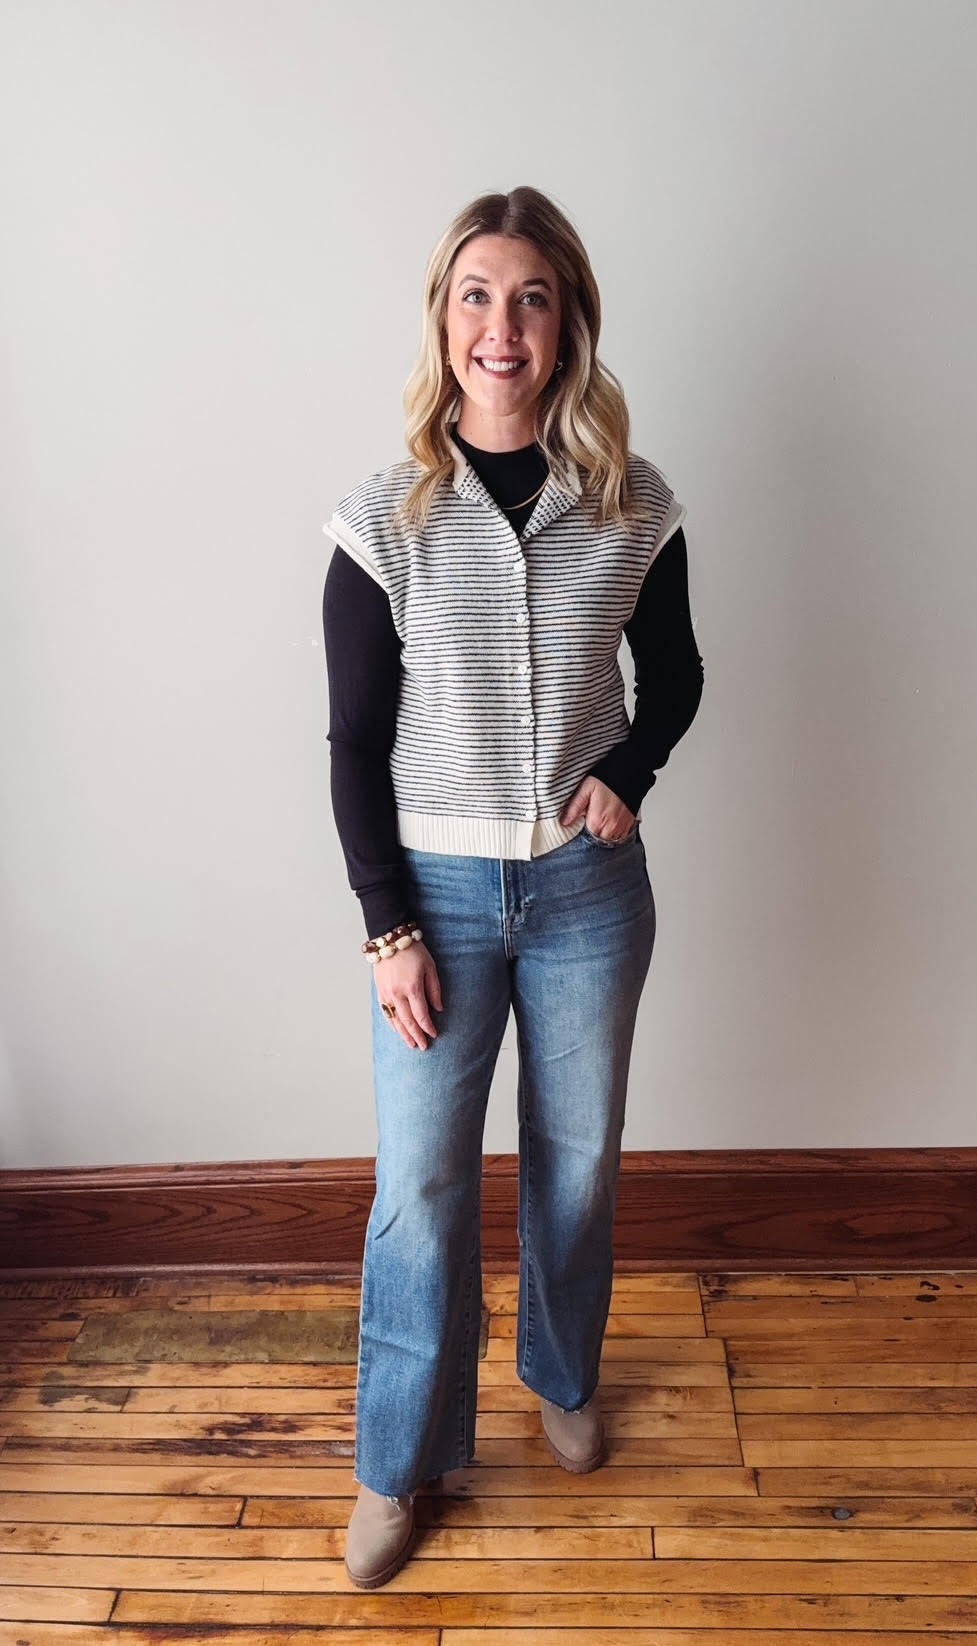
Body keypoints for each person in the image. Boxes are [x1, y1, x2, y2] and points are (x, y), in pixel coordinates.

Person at [321, 185, 704, 1589]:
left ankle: (561, 1372)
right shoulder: (385, 517)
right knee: (422, 1182)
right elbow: (352, 742)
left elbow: (677, 675)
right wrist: (388, 928)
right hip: (430, 896)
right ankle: (398, 1458)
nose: (502, 325)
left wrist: (630, 771)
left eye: (531, 297)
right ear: (443, 321)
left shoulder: (631, 502)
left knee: (576, 1154)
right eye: (476, 295)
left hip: (587, 892)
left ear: (568, 324)